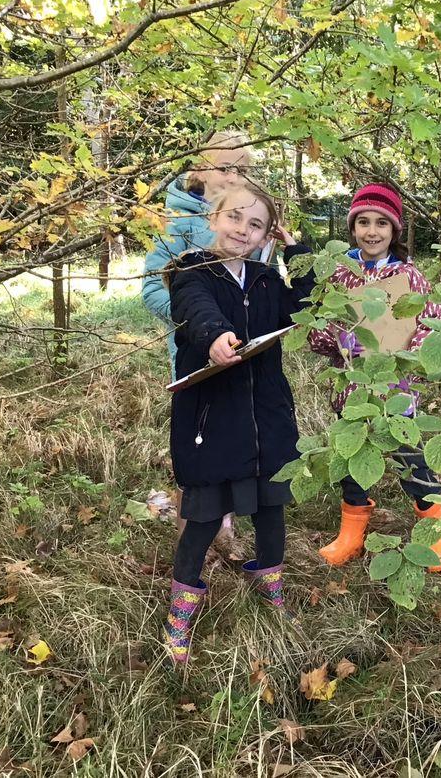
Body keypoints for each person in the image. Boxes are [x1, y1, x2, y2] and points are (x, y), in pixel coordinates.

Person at [161, 181, 314, 665]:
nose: (243, 230)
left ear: (268, 235)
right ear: (214, 218)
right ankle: (181, 611)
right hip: (212, 422)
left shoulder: (267, 280)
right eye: (234, 217)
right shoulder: (191, 270)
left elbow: (307, 305)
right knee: (204, 516)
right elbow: (195, 308)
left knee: (271, 510)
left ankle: (271, 588)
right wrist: (214, 336)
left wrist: (297, 252)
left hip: (268, 420)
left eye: (256, 225)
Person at [307, 183, 441, 573]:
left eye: (381, 224)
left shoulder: (410, 277)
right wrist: (338, 339)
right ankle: (352, 534)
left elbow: (431, 326)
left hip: (396, 389)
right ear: (352, 227)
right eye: (364, 222)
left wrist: (407, 358)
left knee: (411, 459)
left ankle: (436, 532)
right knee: (353, 458)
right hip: (353, 388)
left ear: (394, 230)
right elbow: (317, 331)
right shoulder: (341, 276)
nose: (372, 231)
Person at [142, 133, 258, 548]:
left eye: (242, 170)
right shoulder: (177, 223)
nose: (234, 177)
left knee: (234, 440)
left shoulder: (248, 219)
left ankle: (224, 531)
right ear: (199, 168)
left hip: (243, 356)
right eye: (225, 167)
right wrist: (203, 326)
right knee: (198, 446)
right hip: (197, 361)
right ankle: (191, 541)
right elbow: (153, 289)